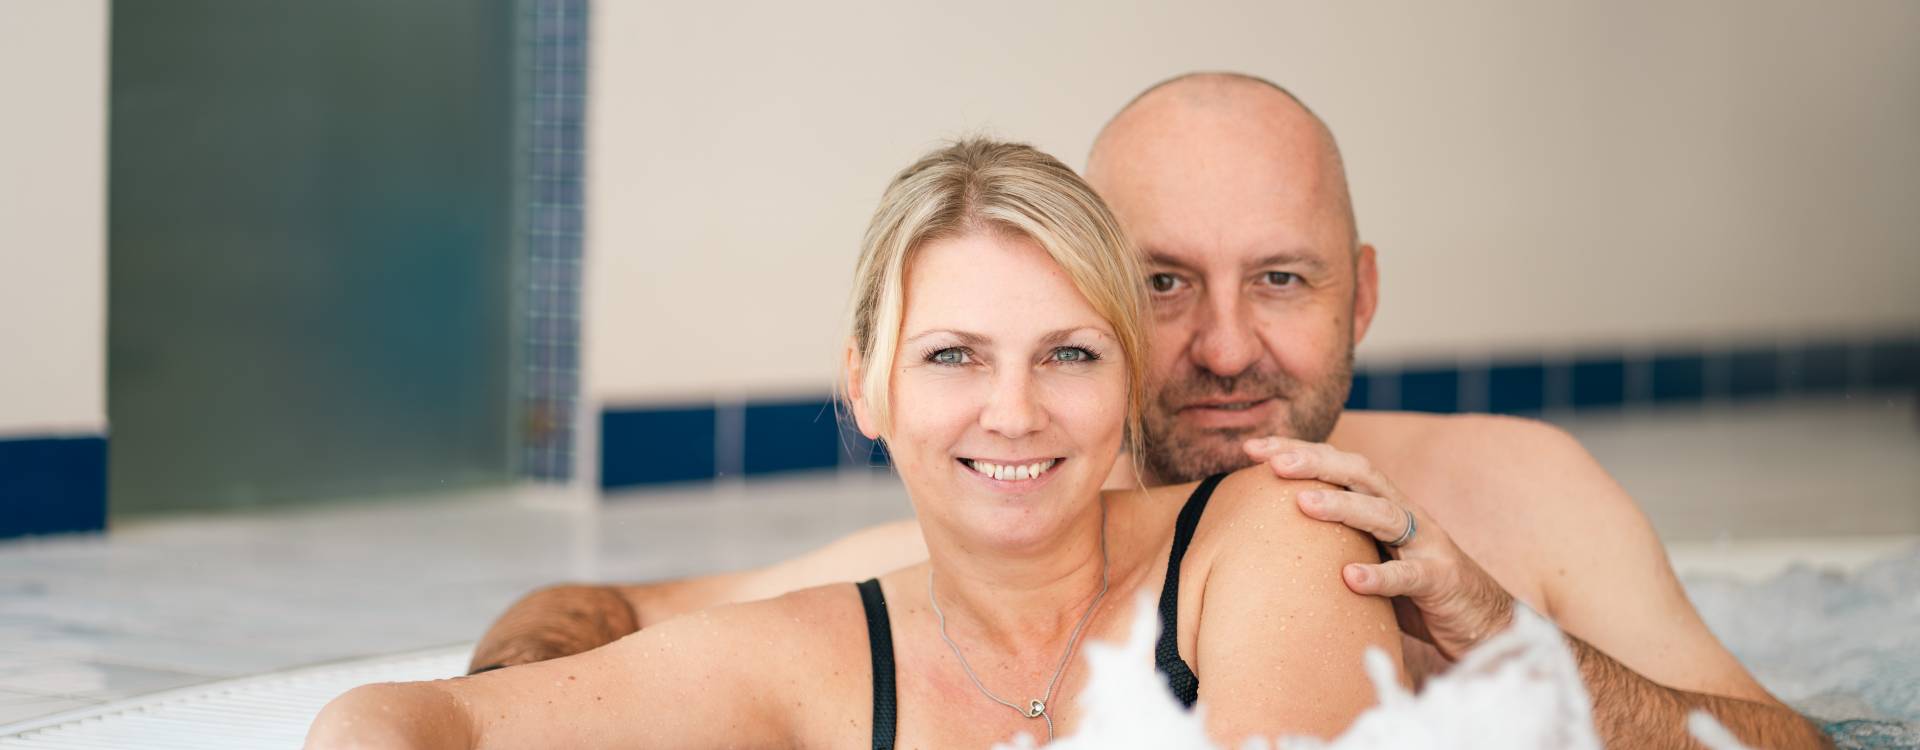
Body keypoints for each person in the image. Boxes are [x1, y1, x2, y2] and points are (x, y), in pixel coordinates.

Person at [473, 74, 1830, 748]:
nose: (1226, 347)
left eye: (1282, 279)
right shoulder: (1005, 542)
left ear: (1361, 294)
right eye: (1164, 283)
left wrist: (1511, 645)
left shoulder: (1523, 489)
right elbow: (589, 613)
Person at [308, 139, 1399, 749]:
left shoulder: (1274, 537)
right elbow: (394, 724)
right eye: (952, 356)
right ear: (865, 387)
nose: (1012, 412)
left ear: (1128, 385)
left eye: (1069, 355)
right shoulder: (814, 658)